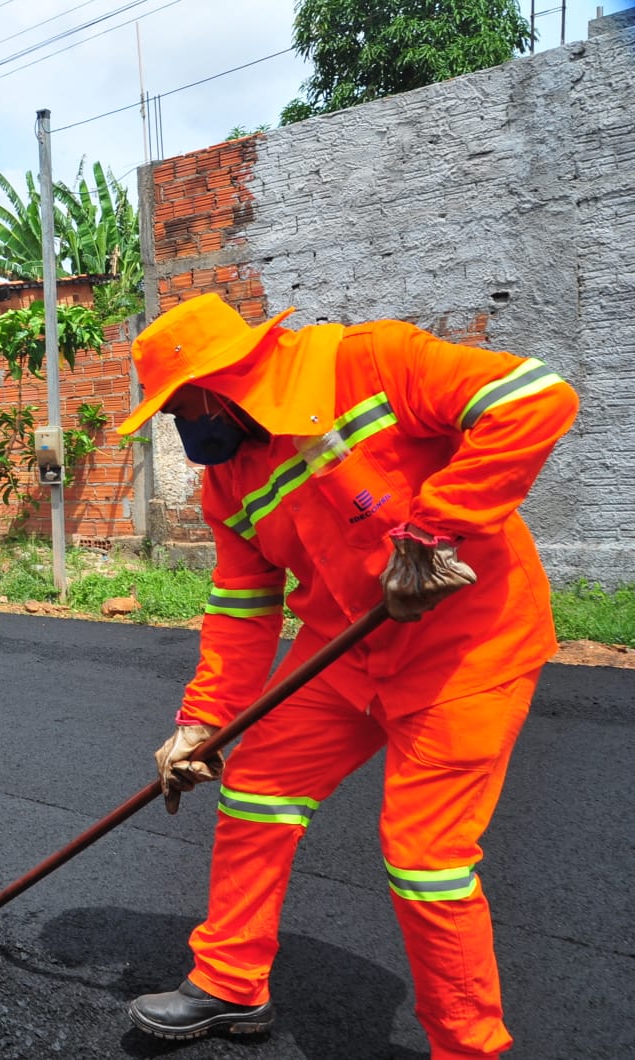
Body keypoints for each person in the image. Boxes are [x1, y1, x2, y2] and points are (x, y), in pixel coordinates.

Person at [115, 293, 577, 1058]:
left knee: (425, 858)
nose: (177, 424)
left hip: (468, 646)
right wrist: (204, 721)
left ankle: (469, 1047)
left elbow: (535, 398)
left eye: (177, 405)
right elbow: (242, 606)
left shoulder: (370, 361)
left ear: (219, 380)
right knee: (257, 786)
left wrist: (436, 526)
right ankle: (231, 981)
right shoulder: (228, 479)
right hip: (345, 651)